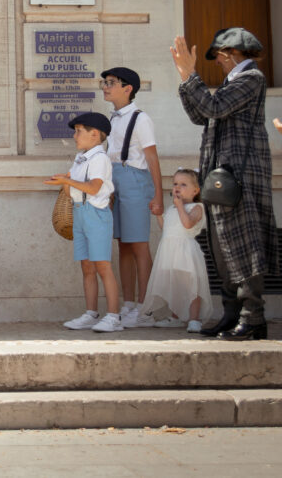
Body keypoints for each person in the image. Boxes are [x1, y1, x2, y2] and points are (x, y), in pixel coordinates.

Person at [171, 29, 279, 341]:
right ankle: (231, 316)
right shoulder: (232, 84)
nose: (217, 62)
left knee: (244, 244)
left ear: (231, 52)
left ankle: (252, 319)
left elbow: (213, 108)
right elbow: (200, 114)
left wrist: (191, 75)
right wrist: (186, 78)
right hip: (221, 177)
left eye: (218, 56)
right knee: (222, 247)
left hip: (241, 175)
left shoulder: (252, 78)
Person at [46, 112, 123, 333]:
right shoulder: (81, 157)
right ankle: (91, 314)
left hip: (96, 214)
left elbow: (94, 188)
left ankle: (113, 316)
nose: (75, 136)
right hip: (80, 212)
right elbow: (73, 187)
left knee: (102, 266)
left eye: (79, 131)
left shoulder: (100, 158)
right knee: (87, 266)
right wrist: (63, 181)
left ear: (95, 134)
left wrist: (67, 180)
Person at [99, 66, 163, 328]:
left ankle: (146, 307)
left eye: (111, 82)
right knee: (123, 244)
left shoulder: (140, 118)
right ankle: (129, 304)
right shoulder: (113, 118)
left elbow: (152, 157)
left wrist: (158, 195)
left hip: (135, 179)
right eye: (104, 82)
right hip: (115, 180)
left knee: (138, 245)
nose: (105, 87)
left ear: (128, 89)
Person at [137, 169, 211, 333]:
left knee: (192, 287)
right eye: (175, 184)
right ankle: (175, 317)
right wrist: (159, 215)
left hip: (186, 251)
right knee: (175, 286)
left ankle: (194, 319)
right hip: (169, 251)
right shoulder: (172, 208)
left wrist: (180, 207)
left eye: (183, 185)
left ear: (195, 190)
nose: (177, 187)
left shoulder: (197, 207)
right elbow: (166, 228)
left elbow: (188, 224)